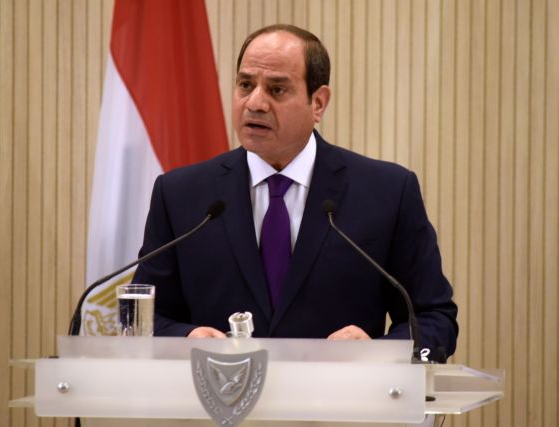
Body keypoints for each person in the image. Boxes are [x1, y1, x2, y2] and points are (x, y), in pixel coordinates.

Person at [133, 24, 458, 358]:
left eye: (276, 90)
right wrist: (186, 337)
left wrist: (376, 354)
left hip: (339, 405)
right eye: (245, 85)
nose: (254, 103)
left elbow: (435, 318)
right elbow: (144, 317)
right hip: (215, 400)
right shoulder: (180, 194)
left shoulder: (387, 192)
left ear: (317, 103)